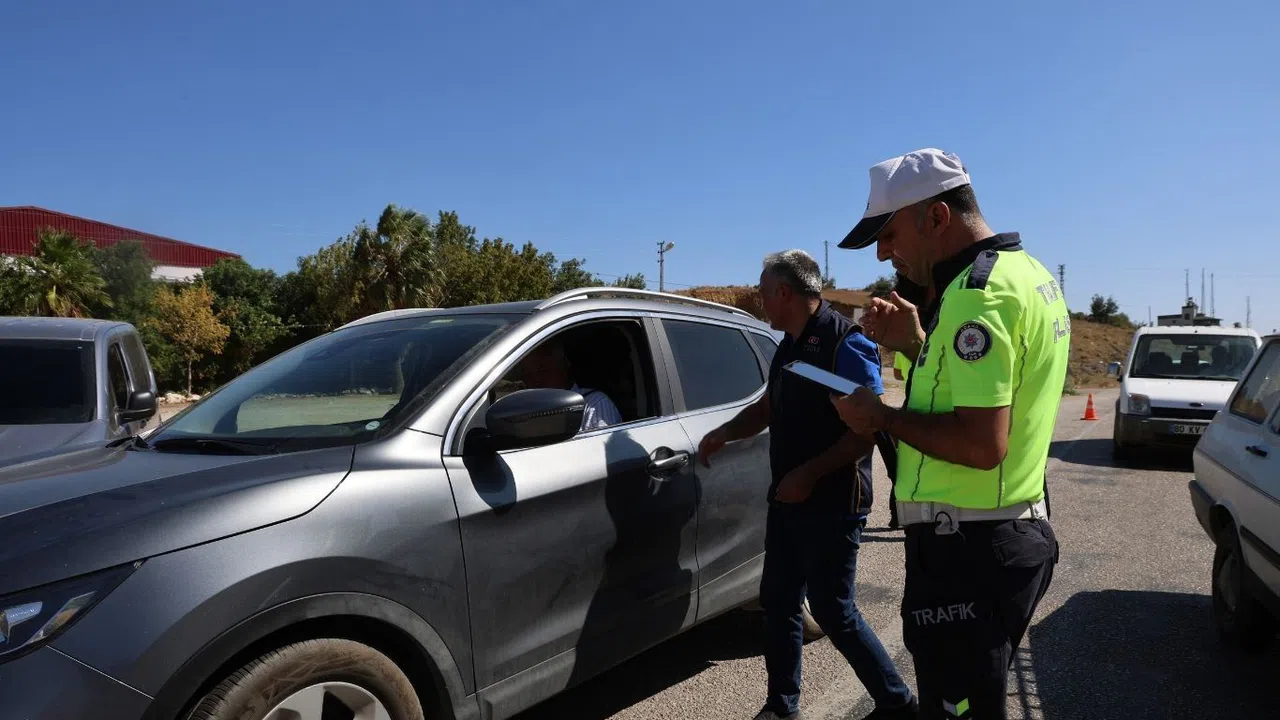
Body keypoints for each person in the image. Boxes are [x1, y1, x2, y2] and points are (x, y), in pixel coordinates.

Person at [831, 148, 1065, 720]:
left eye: (888, 235)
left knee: (955, 708)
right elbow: (978, 392)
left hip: (969, 552)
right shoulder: (1027, 275)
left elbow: (982, 446)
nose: (883, 253)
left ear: (936, 217)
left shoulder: (975, 298)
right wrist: (914, 345)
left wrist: (882, 418)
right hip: (996, 538)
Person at [699, 249, 917, 720]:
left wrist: (808, 475)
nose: (760, 300)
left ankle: (897, 702)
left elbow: (868, 430)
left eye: (763, 292)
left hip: (834, 501)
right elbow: (767, 408)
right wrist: (724, 432)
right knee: (779, 601)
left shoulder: (844, 343)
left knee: (833, 610)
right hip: (789, 498)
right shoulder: (788, 346)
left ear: (785, 292)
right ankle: (782, 706)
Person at [514, 337, 623, 431]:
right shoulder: (525, 410)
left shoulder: (593, 404)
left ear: (563, 367)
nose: (536, 380)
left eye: (543, 372)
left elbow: (602, 447)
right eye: (528, 375)